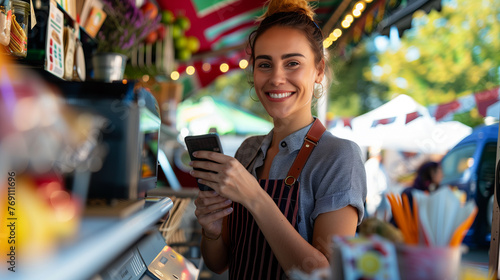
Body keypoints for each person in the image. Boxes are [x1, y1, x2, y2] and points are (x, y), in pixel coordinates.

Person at [190, 0, 367, 278]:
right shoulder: (248, 150)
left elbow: (327, 275)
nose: (276, 78)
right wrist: (211, 231)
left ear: (318, 70)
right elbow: (218, 263)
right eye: (265, 64)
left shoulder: (339, 156)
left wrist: (254, 196)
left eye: (292, 63)